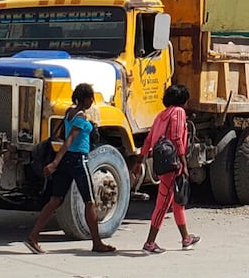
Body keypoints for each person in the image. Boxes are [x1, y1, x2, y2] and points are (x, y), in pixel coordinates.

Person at [24, 83, 116, 254]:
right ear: (86, 99)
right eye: (91, 98)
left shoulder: (69, 112)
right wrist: (54, 163)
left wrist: (58, 162)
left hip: (66, 161)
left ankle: (33, 236)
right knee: (90, 201)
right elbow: (69, 140)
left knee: (55, 200)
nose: (92, 101)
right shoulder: (81, 117)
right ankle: (97, 243)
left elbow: (66, 137)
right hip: (78, 160)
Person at [132, 84, 200, 254]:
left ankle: (186, 238)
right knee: (163, 204)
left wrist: (139, 161)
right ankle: (150, 242)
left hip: (162, 162)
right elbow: (176, 138)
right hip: (173, 163)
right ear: (182, 100)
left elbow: (148, 140)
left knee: (178, 202)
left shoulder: (160, 115)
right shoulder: (178, 112)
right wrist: (183, 162)